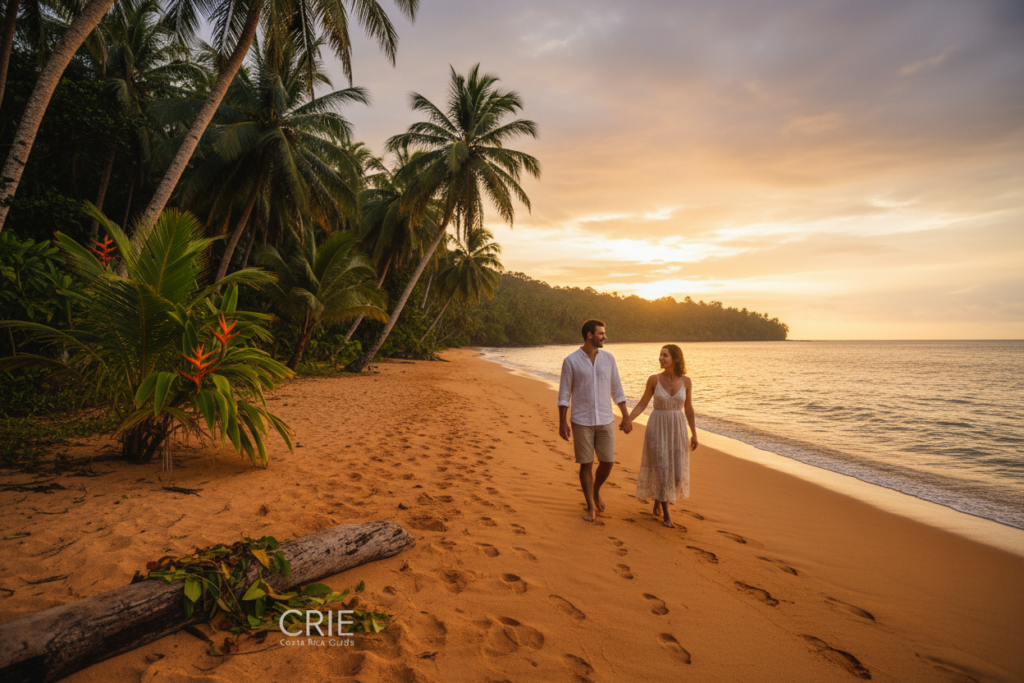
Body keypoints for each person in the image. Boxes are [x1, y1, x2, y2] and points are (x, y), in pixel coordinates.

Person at [558, 319, 633, 522]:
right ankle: (590, 507)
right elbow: (564, 394)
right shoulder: (571, 361)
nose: (605, 337)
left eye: (604, 333)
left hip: (606, 418)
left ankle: (596, 490)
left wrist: (626, 415)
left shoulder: (609, 359)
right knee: (586, 464)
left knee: (608, 461)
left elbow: (616, 388)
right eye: (601, 333)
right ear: (590, 335)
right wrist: (562, 422)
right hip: (581, 420)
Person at [627, 344, 698, 528]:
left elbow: (689, 408)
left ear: (675, 358)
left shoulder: (687, 381)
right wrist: (628, 419)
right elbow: (643, 403)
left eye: (665, 355)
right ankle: (667, 514)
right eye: (660, 355)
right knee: (663, 468)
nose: (661, 358)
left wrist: (694, 433)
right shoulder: (653, 380)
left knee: (677, 471)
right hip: (657, 426)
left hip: (678, 427)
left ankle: (659, 499)